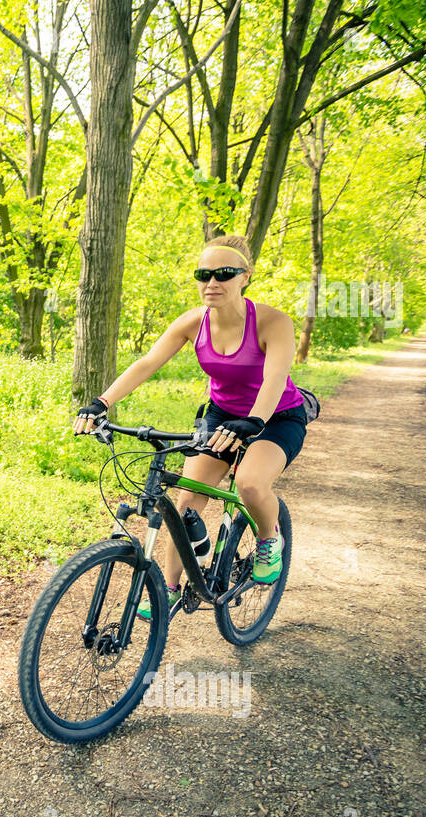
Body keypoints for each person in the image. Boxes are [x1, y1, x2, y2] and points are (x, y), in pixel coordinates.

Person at [72, 234, 307, 618]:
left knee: (249, 483)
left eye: (224, 274)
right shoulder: (192, 323)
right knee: (185, 504)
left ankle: (269, 539)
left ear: (244, 276)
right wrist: (102, 403)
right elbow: (147, 363)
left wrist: (253, 422)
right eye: (204, 274)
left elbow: (275, 377)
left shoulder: (272, 321)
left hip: (276, 417)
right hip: (221, 417)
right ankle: (166, 589)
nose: (212, 282)